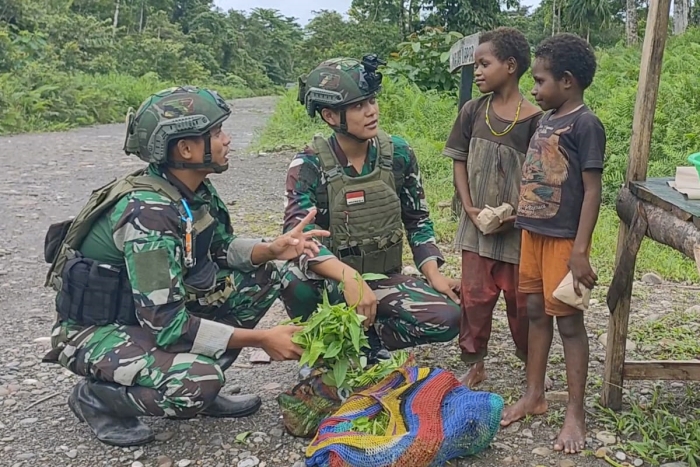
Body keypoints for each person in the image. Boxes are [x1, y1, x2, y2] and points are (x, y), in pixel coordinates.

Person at [41, 86, 329, 447]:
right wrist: (261, 339)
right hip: (95, 331)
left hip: (144, 317)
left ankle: (198, 386)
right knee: (196, 384)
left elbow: (220, 248)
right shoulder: (150, 212)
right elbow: (168, 326)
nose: (228, 140)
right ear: (186, 149)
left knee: (265, 275)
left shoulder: (193, 190)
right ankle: (97, 398)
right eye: (217, 133)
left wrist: (270, 250)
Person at [279, 55, 461, 356]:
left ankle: (370, 342)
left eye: (372, 101)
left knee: (448, 317)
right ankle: (326, 346)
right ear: (330, 116)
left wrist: (433, 273)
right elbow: (300, 236)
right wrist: (349, 278)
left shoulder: (398, 153)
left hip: (383, 277)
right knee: (292, 282)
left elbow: (417, 220)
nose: (371, 111)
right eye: (357, 106)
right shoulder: (309, 165)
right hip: (329, 282)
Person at [499, 34, 605, 455]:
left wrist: (580, 250)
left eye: (540, 81)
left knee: (569, 323)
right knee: (534, 312)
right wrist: (517, 212)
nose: (534, 89)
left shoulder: (585, 124)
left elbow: (592, 191)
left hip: (563, 241)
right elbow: (538, 176)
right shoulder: (545, 121)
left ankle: (575, 412)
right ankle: (534, 393)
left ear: (567, 81)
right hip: (532, 234)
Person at [442, 27, 543, 389]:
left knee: (522, 303)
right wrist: (468, 207)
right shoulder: (473, 111)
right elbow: (458, 160)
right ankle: (475, 363)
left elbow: (541, 179)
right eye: (476, 64)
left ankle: (532, 367)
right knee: (475, 299)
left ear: (511, 66)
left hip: (517, 232)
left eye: (485, 64)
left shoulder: (535, 120)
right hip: (476, 230)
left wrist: (518, 215)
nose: (479, 71)